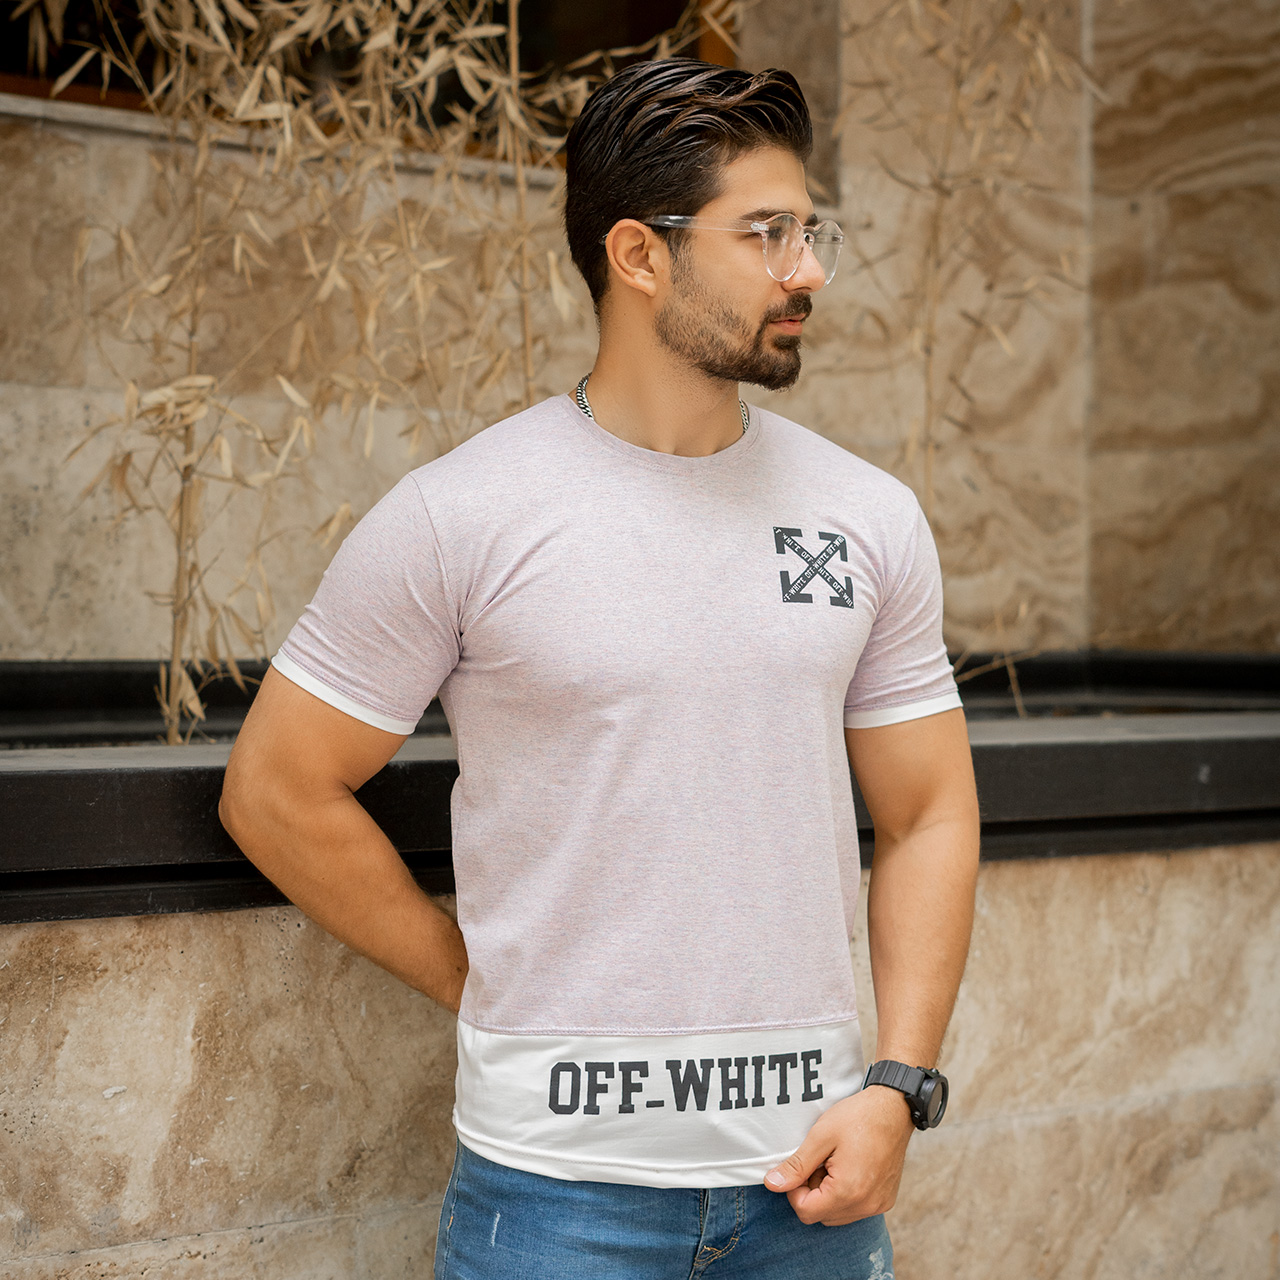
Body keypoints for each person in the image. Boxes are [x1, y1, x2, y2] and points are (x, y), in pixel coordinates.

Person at [220, 58, 980, 1280]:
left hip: (811, 1192)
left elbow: (927, 809)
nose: (806, 270)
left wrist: (898, 1081)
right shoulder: (461, 515)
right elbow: (275, 790)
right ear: (638, 254)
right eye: (765, 233)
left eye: (810, 232)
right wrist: (482, 985)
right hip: (552, 1204)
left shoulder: (866, 517)